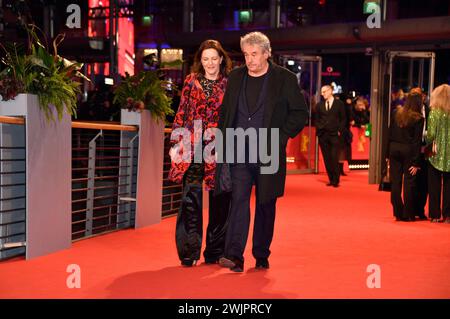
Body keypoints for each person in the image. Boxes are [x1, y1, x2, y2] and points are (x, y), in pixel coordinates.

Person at [215, 31, 308, 272]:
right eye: (246, 54)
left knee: (266, 203)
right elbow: (226, 112)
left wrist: (281, 136)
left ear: (267, 53)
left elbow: (300, 113)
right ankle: (234, 255)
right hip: (238, 150)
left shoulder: (284, 79)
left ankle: (261, 253)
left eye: (254, 54)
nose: (250, 60)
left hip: (269, 153)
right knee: (238, 201)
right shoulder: (236, 77)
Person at [168, 39, 233, 266]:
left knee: (220, 200)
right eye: (205, 59)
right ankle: (189, 252)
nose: (210, 63)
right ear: (200, 61)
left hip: (220, 146)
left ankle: (215, 251)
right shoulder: (191, 81)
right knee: (190, 197)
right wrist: (176, 144)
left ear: (221, 59)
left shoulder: (229, 83)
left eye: (214, 58)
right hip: (193, 143)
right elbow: (182, 113)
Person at [387, 93, 424, 222]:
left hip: (393, 148)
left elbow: (389, 133)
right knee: (409, 182)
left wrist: (387, 154)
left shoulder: (396, 113)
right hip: (408, 150)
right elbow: (416, 141)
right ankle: (408, 213)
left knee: (395, 181)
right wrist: (416, 163)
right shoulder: (419, 118)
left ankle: (398, 212)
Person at [426, 84, 450, 223]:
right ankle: (448, 214)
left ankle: (435, 214)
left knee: (434, 184)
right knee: (449, 185)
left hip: (435, 153)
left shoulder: (434, 112)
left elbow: (431, 135)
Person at [315, 85, 346, 187]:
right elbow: (317, 119)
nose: (322, 94)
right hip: (323, 135)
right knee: (327, 158)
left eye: (324, 91)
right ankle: (331, 179)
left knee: (334, 157)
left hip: (334, 135)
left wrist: (339, 130)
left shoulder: (339, 104)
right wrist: (320, 128)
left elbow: (343, 119)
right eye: (321, 92)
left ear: (330, 91)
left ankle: (336, 180)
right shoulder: (319, 105)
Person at [409, 87, 429, 220]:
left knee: (424, 183)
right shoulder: (408, 112)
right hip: (411, 151)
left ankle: (420, 210)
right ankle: (411, 209)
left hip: (425, 151)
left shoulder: (429, 110)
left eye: (419, 95)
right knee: (412, 182)